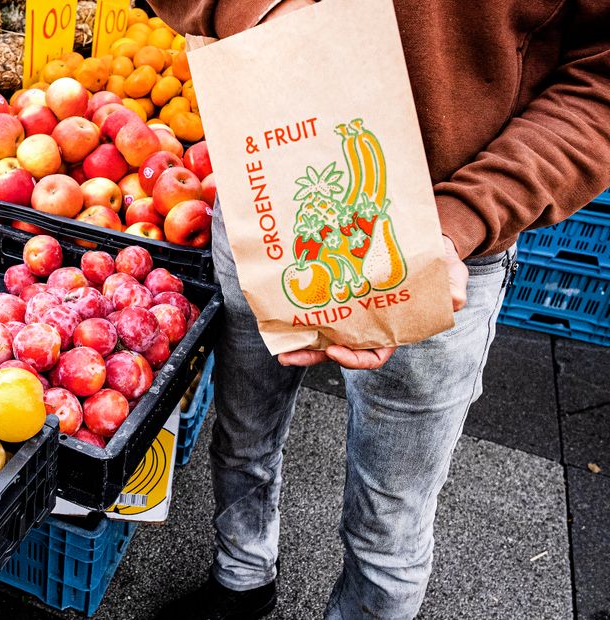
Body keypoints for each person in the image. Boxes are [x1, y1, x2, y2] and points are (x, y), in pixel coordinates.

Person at [146, 0, 610, 618]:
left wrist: (466, 215)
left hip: (443, 245)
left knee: (392, 513)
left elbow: (599, 77)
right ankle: (241, 579)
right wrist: (263, 11)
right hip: (267, 187)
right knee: (242, 432)